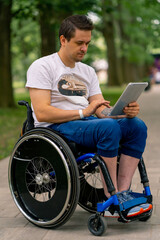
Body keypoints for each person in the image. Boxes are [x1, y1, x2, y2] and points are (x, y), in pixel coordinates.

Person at [26, 15, 152, 218]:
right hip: (57, 126)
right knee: (107, 128)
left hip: (87, 123)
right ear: (63, 40)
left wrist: (124, 112)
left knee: (136, 126)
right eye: (79, 43)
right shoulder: (42, 66)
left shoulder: (88, 71)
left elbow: (101, 110)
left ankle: (122, 191)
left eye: (87, 43)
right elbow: (41, 112)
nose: (84, 48)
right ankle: (111, 195)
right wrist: (83, 112)